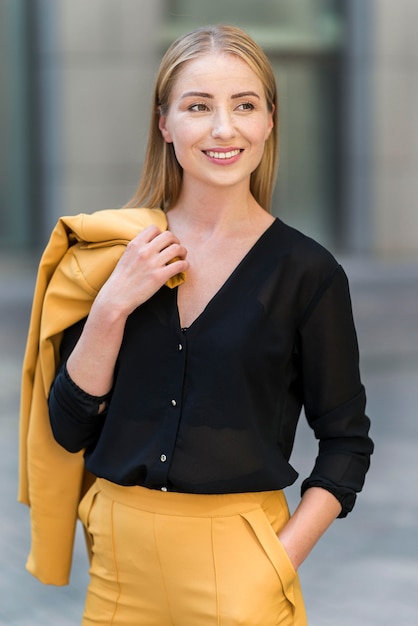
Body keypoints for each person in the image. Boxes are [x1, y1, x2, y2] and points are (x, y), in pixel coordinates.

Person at [46, 24, 373, 625]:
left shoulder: (307, 273)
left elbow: (347, 443)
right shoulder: (109, 255)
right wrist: (112, 305)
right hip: (118, 571)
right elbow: (68, 428)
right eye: (199, 106)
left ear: (269, 121)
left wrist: (276, 561)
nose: (224, 128)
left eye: (244, 105)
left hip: (243, 568)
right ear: (165, 123)